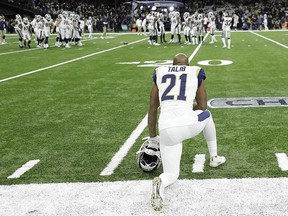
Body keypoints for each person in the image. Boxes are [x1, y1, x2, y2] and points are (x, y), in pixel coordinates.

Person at [148, 53, 226, 211]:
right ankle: (214, 157)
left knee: (171, 174)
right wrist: (186, 106)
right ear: (188, 65)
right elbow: (203, 106)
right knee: (207, 115)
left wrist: (152, 137)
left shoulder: (160, 72)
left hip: (166, 129)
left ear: (172, 64)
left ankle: (160, 183)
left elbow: (152, 107)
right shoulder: (195, 72)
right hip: (187, 124)